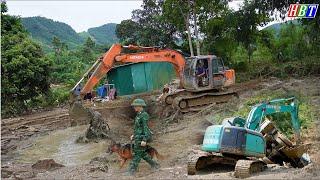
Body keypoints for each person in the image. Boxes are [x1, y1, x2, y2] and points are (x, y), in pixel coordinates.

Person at [126, 99, 160, 176]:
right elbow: (138, 127)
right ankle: (155, 165)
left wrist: (145, 139)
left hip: (142, 138)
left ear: (140, 106)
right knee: (143, 154)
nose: (134, 107)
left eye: (135, 105)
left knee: (137, 154)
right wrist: (134, 135)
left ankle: (132, 170)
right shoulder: (138, 115)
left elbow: (146, 128)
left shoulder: (144, 115)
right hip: (138, 137)